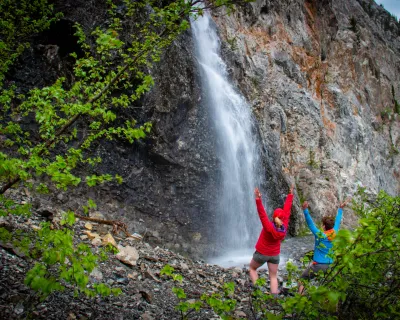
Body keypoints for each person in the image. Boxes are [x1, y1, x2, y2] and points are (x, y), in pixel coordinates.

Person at [249, 184, 294, 296]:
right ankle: (274, 294)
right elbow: (287, 212)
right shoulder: (284, 227)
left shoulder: (268, 227)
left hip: (262, 253)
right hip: (275, 255)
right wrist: (290, 195)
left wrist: (258, 199)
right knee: (273, 275)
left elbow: (262, 214)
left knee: (252, 268)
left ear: (274, 217)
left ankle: (258, 291)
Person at [298, 199, 349, 294]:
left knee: (303, 279)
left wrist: (305, 210)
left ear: (324, 227)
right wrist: (340, 209)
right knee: (329, 285)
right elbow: (338, 221)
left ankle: (299, 298)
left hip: (318, 265)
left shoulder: (320, 235)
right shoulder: (335, 232)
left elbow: (310, 224)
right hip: (331, 265)